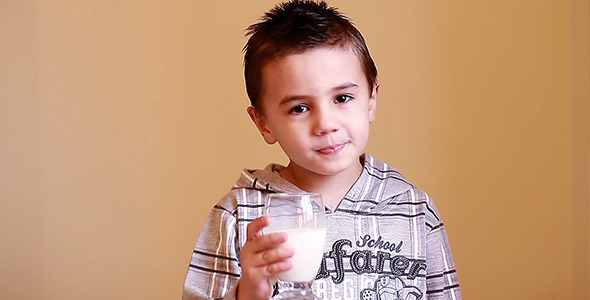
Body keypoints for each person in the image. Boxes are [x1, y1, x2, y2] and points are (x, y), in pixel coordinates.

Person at [183, 1, 461, 299]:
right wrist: (247, 293)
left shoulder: (415, 209)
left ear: (371, 99)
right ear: (263, 123)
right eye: (299, 108)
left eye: (342, 98)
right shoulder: (239, 215)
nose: (326, 124)